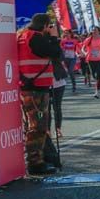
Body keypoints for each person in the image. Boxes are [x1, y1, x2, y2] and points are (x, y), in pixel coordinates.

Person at [16, 13, 62, 176]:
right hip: (36, 88)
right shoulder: (35, 37)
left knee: (32, 125)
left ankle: (37, 159)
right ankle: (35, 163)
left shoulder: (22, 35)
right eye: (49, 26)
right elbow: (55, 53)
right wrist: (54, 37)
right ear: (44, 26)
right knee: (38, 126)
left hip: (28, 85)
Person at [81, 27, 100, 99]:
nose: (94, 32)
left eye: (95, 30)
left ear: (99, 31)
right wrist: (85, 52)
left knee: (98, 75)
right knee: (94, 76)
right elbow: (83, 48)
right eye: (93, 30)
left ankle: (97, 92)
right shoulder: (88, 39)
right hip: (91, 59)